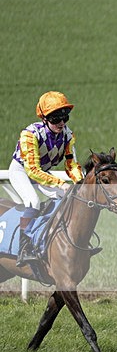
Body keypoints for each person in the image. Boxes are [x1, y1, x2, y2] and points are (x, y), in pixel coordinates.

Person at [9, 91, 84, 266]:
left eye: (65, 117)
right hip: (22, 170)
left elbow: (71, 164)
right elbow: (33, 170)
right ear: (44, 118)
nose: (61, 123)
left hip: (42, 171)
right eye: (56, 118)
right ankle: (23, 248)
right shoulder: (29, 135)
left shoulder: (68, 135)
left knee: (64, 198)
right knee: (33, 202)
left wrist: (79, 182)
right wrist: (60, 183)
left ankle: (52, 238)